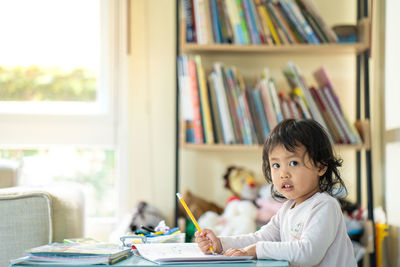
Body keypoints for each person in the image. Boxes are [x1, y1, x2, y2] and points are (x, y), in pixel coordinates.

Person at [195, 119, 357, 266]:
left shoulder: (325, 206)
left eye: (293, 162)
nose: (283, 174)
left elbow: (308, 253)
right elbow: (260, 237)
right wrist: (221, 244)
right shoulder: (287, 209)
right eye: (276, 165)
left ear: (320, 166)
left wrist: (256, 250)